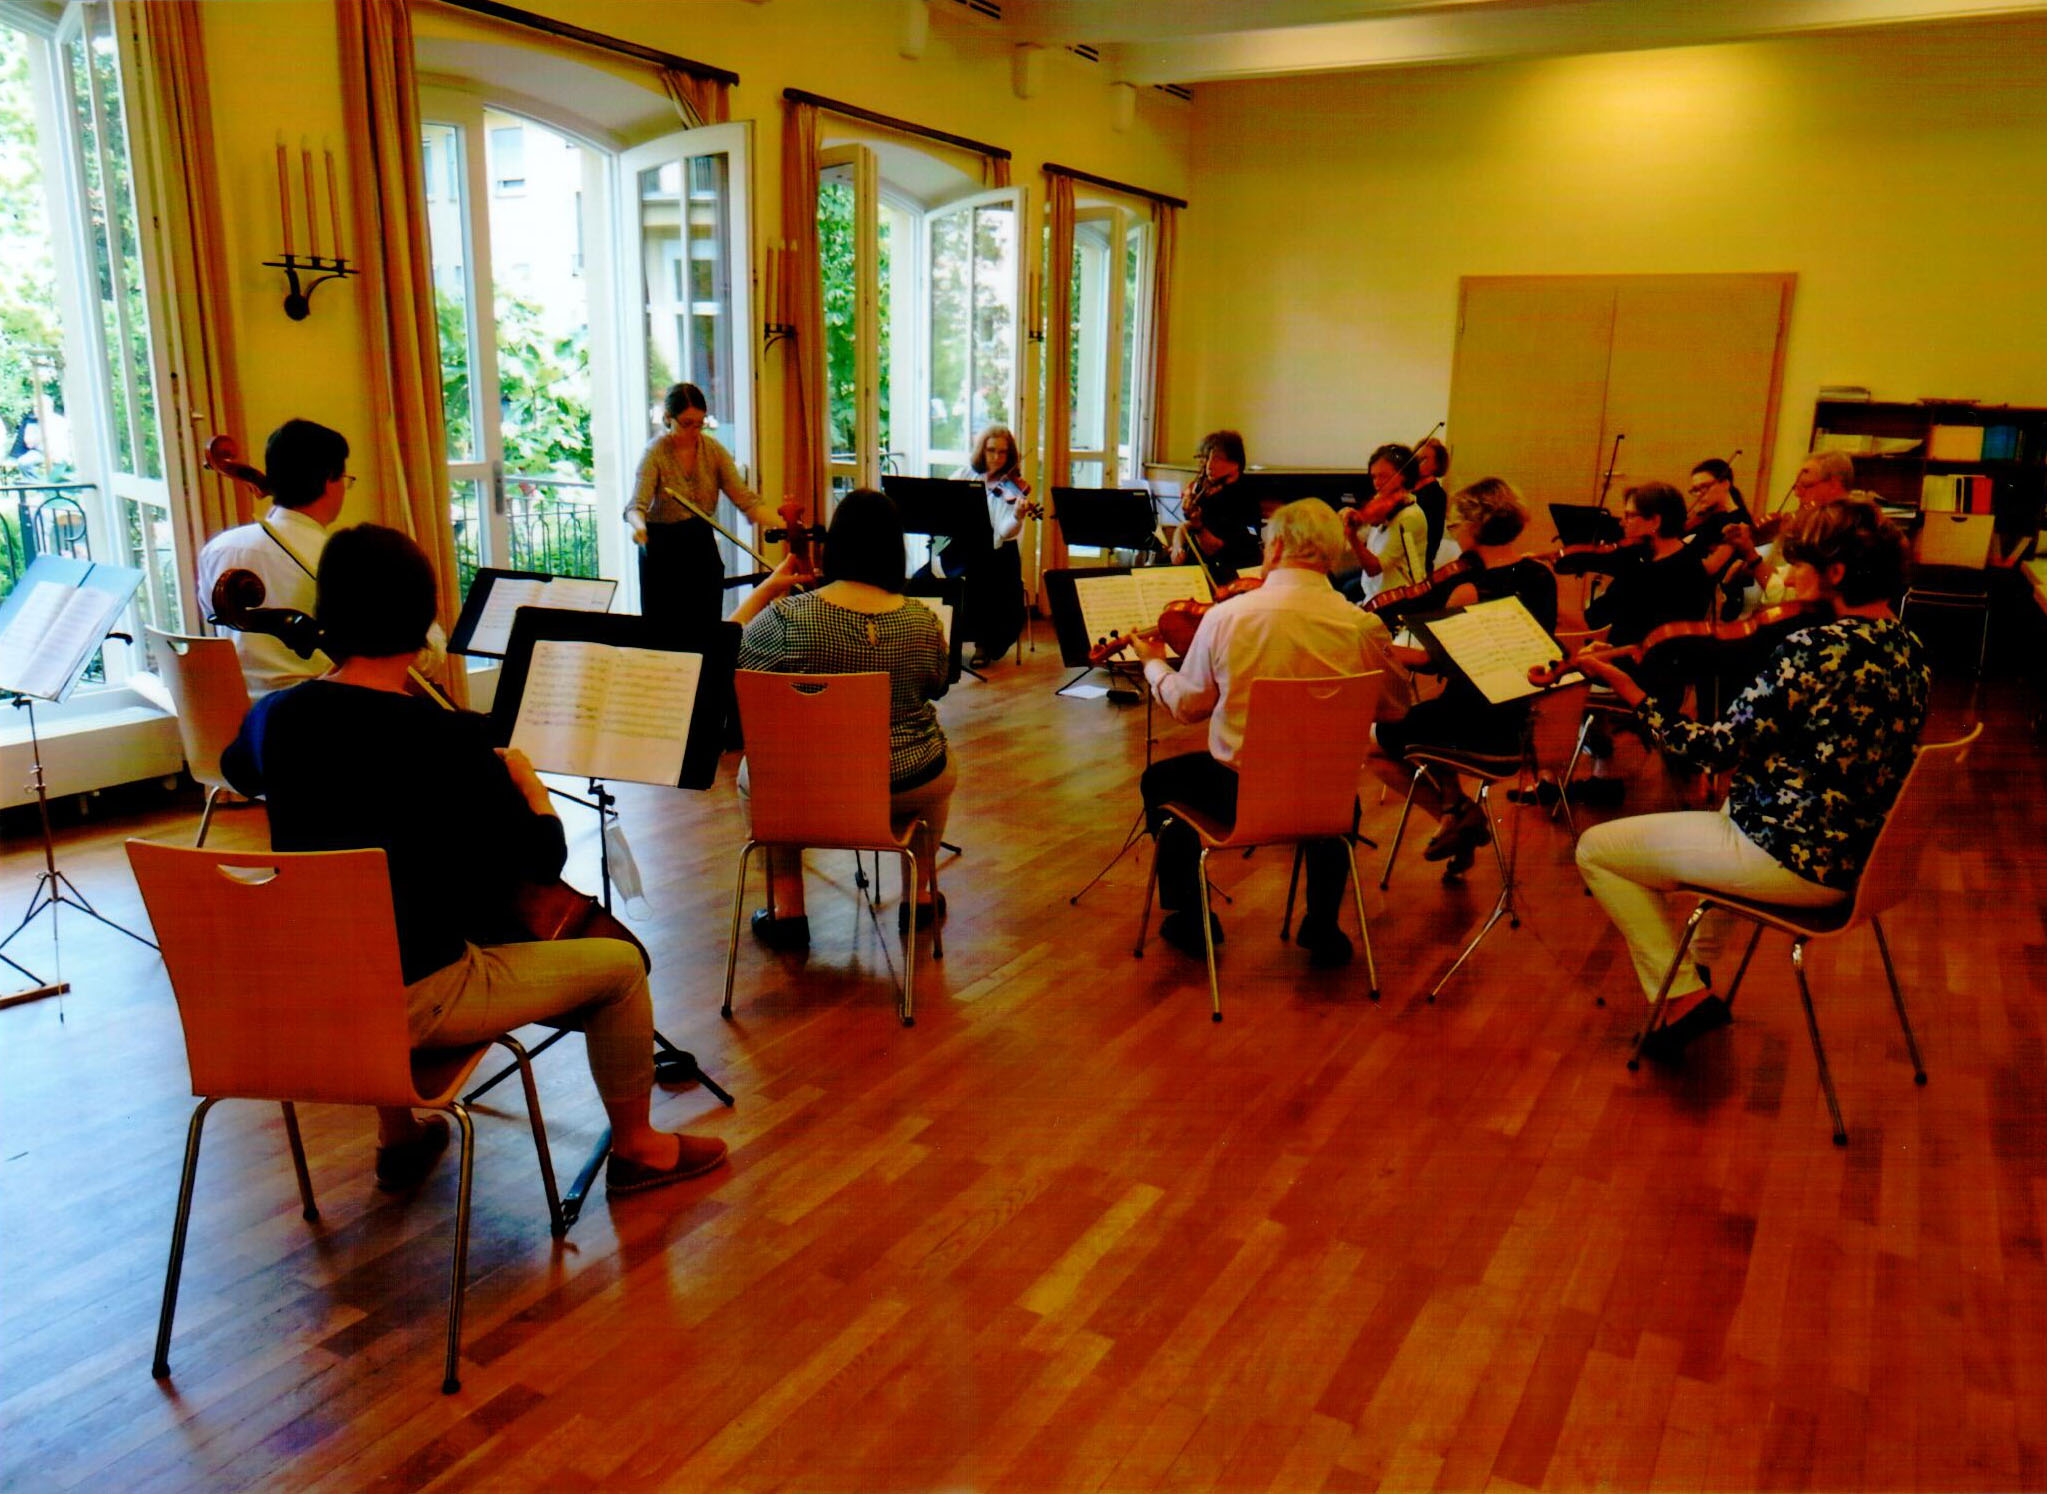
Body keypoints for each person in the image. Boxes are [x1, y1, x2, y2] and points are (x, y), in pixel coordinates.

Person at [221, 525, 726, 1196]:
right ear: (424, 619)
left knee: (371, 916)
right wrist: (531, 789)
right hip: (418, 998)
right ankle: (640, 1149)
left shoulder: (278, 716)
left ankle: (399, 1137)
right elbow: (539, 862)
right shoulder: (447, 739)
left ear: (329, 613)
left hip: (309, 991)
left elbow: (237, 770)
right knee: (621, 967)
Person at [1574, 496, 1929, 1061]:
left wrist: (1633, 695)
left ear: (1836, 573)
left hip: (1793, 860)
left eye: (1800, 563)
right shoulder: (1908, 647)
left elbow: (1713, 751)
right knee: (1725, 813)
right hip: (1859, 858)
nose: (1788, 575)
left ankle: (1683, 995)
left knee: (1596, 849)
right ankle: (1695, 970)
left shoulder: (1814, 648)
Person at [1133, 499, 1391, 967]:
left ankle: (1193, 919)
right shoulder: (1364, 626)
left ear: (1275, 547)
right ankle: (1322, 924)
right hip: (1329, 805)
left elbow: (1189, 708)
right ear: (1332, 553)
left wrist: (1153, 665)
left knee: (1161, 780)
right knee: (1336, 792)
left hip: (1240, 798)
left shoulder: (1228, 617)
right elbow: (1393, 708)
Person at [733, 488, 954, 947]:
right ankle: (920, 896)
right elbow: (937, 684)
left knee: (762, 769)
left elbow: (723, 654)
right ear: (895, 550)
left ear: (833, 546)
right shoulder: (923, 620)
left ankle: (788, 908)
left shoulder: (788, 618)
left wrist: (769, 588)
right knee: (939, 758)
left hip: (808, 785)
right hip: (905, 781)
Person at [1366, 478, 1558, 875]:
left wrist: (1380, 649)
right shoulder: (1541, 577)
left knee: (1375, 742)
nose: (1453, 532)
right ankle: (1457, 815)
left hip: (1472, 725)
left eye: (1455, 525)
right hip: (1519, 724)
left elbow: (1433, 662)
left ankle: (1455, 811)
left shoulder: (1468, 590)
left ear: (1473, 526)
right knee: (1423, 718)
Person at [1567, 481, 1720, 808]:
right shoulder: (1658, 562)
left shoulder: (1667, 571)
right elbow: (1603, 617)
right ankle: (1604, 774)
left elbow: (1601, 621)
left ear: (1655, 522)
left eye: (1630, 516)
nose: (1622, 523)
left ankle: (1587, 773)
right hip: (1635, 664)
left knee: (1559, 687)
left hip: (1649, 673)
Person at [194, 419, 349, 698]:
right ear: (329, 480)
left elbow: (213, 618)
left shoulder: (218, 550)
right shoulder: (340, 559)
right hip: (320, 712)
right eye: (345, 480)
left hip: (240, 711)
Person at [625, 382, 775, 638]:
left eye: (699, 424)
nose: (694, 431)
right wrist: (639, 527)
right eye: (686, 424)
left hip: (700, 546)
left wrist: (785, 523)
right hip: (662, 550)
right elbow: (635, 507)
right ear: (668, 419)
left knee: (706, 633)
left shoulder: (713, 450)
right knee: (665, 635)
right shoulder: (655, 452)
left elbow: (746, 501)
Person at [933, 424, 1031, 667]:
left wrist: (1017, 516)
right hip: (963, 548)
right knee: (923, 577)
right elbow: (944, 502)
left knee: (983, 577)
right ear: (982, 451)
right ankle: (937, 639)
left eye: (1002, 452)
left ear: (1010, 455)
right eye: (991, 450)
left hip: (998, 553)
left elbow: (1004, 532)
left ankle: (983, 643)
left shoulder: (1014, 487)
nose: (996, 457)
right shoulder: (965, 475)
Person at [1341, 443, 1430, 604]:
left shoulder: (1409, 516)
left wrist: (1352, 537)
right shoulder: (1382, 508)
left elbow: (1374, 568)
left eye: (1383, 476)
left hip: (1397, 599)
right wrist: (1349, 520)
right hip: (1374, 594)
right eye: (1374, 477)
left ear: (1403, 476)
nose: (1377, 483)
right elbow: (1364, 538)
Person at [1170, 429, 1261, 582]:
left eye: (1217, 459)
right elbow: (1185, 526)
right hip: (1196, 569)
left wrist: (1198, 526)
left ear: (1235, 464)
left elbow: (1213, 548)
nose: (1209, 466)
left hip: (1227, 574)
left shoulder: (1244, 496)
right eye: (1207, 458)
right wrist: (1177, 547)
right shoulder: (1206, 488)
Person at [1413, 437, 1452, 571]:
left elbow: (1431, 539)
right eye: (1416, 458)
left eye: (1424, 459)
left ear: (1437, 465)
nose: (1417, 462)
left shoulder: (1436, 495)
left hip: (1417, 563)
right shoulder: (1408, 488)